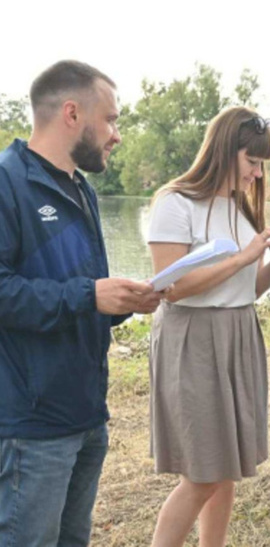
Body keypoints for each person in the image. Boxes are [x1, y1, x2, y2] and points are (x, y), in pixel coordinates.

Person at [0, 60, 163, 546]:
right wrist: (89, 294)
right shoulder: (8, 184)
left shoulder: (81, 189)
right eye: (110, 119)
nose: (116, 134)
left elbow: (79, 295)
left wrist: (124, 301)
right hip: (32, 425)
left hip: (86, 413)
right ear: (72, 113)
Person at [147, 107, 270, 546]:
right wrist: (242, 255)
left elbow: (248, 289)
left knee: (226, 468)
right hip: (192, 337)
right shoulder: (174, 203)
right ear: (223, 152)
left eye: (261, 165)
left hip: (237, 333)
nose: (256, 173)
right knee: (202, 473)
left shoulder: (237, 207)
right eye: (251, 162)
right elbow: (171, 287)